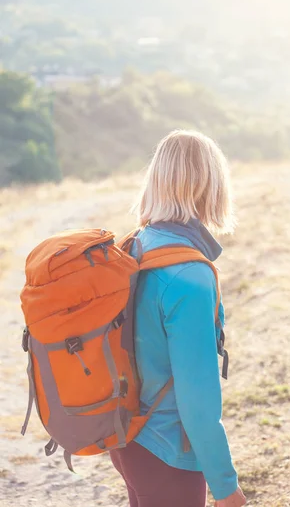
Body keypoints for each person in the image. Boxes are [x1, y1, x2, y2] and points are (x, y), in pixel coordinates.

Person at [110, 130, 246, 507]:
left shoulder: (136, 245)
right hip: (167, 453)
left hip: (128, 440)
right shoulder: (190, 277)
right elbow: (197, 399)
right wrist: (225, 485)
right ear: (210, 187)